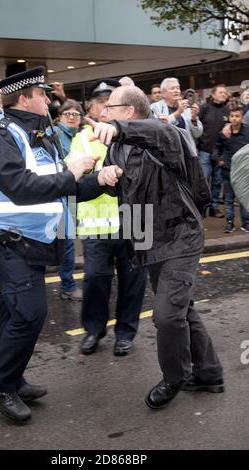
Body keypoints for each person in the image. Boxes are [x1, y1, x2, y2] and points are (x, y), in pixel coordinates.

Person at [0, 66, 120, 423]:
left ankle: (13, 379)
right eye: (41, 93)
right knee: (29, 313)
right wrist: (72, 172)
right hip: (5, 239)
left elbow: (63, 189)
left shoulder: (38, 135)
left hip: (34, 240)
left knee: (13, 313)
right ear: (24, 98)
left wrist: (100, 177)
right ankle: (1, 386)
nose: (48, 98)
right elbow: (20, 187)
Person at [88, 85, 224, 410]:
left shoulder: (165, 133)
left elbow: (154, 130)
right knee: (181, 310)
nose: (105, 112)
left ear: (129, 112)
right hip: (148, 241)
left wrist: (117, 129)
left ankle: (175, 377)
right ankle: (209, 373)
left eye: (111, 108)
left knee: (165, 316)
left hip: (180, 235)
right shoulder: (117, 147)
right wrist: (105, 177)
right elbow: (125, 191)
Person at [68, 79, 147, 357]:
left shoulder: (138, 134)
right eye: (100, 103)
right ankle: (94, 330)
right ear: (92, 107)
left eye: (109, 103)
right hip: (97, 225)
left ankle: (125, 334)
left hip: (136, 221)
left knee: (133, 282)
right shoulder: (81, 138)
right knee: (95, 280)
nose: (104, 109)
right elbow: (73, 177)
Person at [54, 99, 85, 301]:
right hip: (59, 191)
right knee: (63, 240)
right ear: (61, 117)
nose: (72, 117)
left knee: (67, 241)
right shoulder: (56, 134)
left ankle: (67, 284)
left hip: (76, 193)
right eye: (68, 114)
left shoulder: (84, 136)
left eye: (76, 114)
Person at [212, 106, 249, 233]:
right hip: (227, 170)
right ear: (229, 117)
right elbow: (217, 147)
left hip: (244, 172)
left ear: (242, 117)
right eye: (232, 116)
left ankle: (246, 222)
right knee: (228, 199)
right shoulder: (224, 133)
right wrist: (218, 159)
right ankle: (229, 223)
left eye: (237, 116)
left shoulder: (248, 131)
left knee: (244, 197)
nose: (234, 119)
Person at [198, 84, 230, 217]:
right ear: (213, 94)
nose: (223, 94)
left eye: (225, 92)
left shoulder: (227, 111)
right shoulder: (204, 108)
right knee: (204, 181)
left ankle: (214, 207)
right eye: (221, 92)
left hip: (220, 153)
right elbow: (197, 128)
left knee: (217, 182)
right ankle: (202, 208)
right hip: (205, 150)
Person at [150, 77, 203, 148]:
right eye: (172, 88)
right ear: (164, 94)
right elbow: (158, 131)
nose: (176, 91)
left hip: (187, 154)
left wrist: (194, 119)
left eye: (178, 88)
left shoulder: (186, 108)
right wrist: (178, 112)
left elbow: (197, 134)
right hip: (167, 153)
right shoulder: (155, 107)